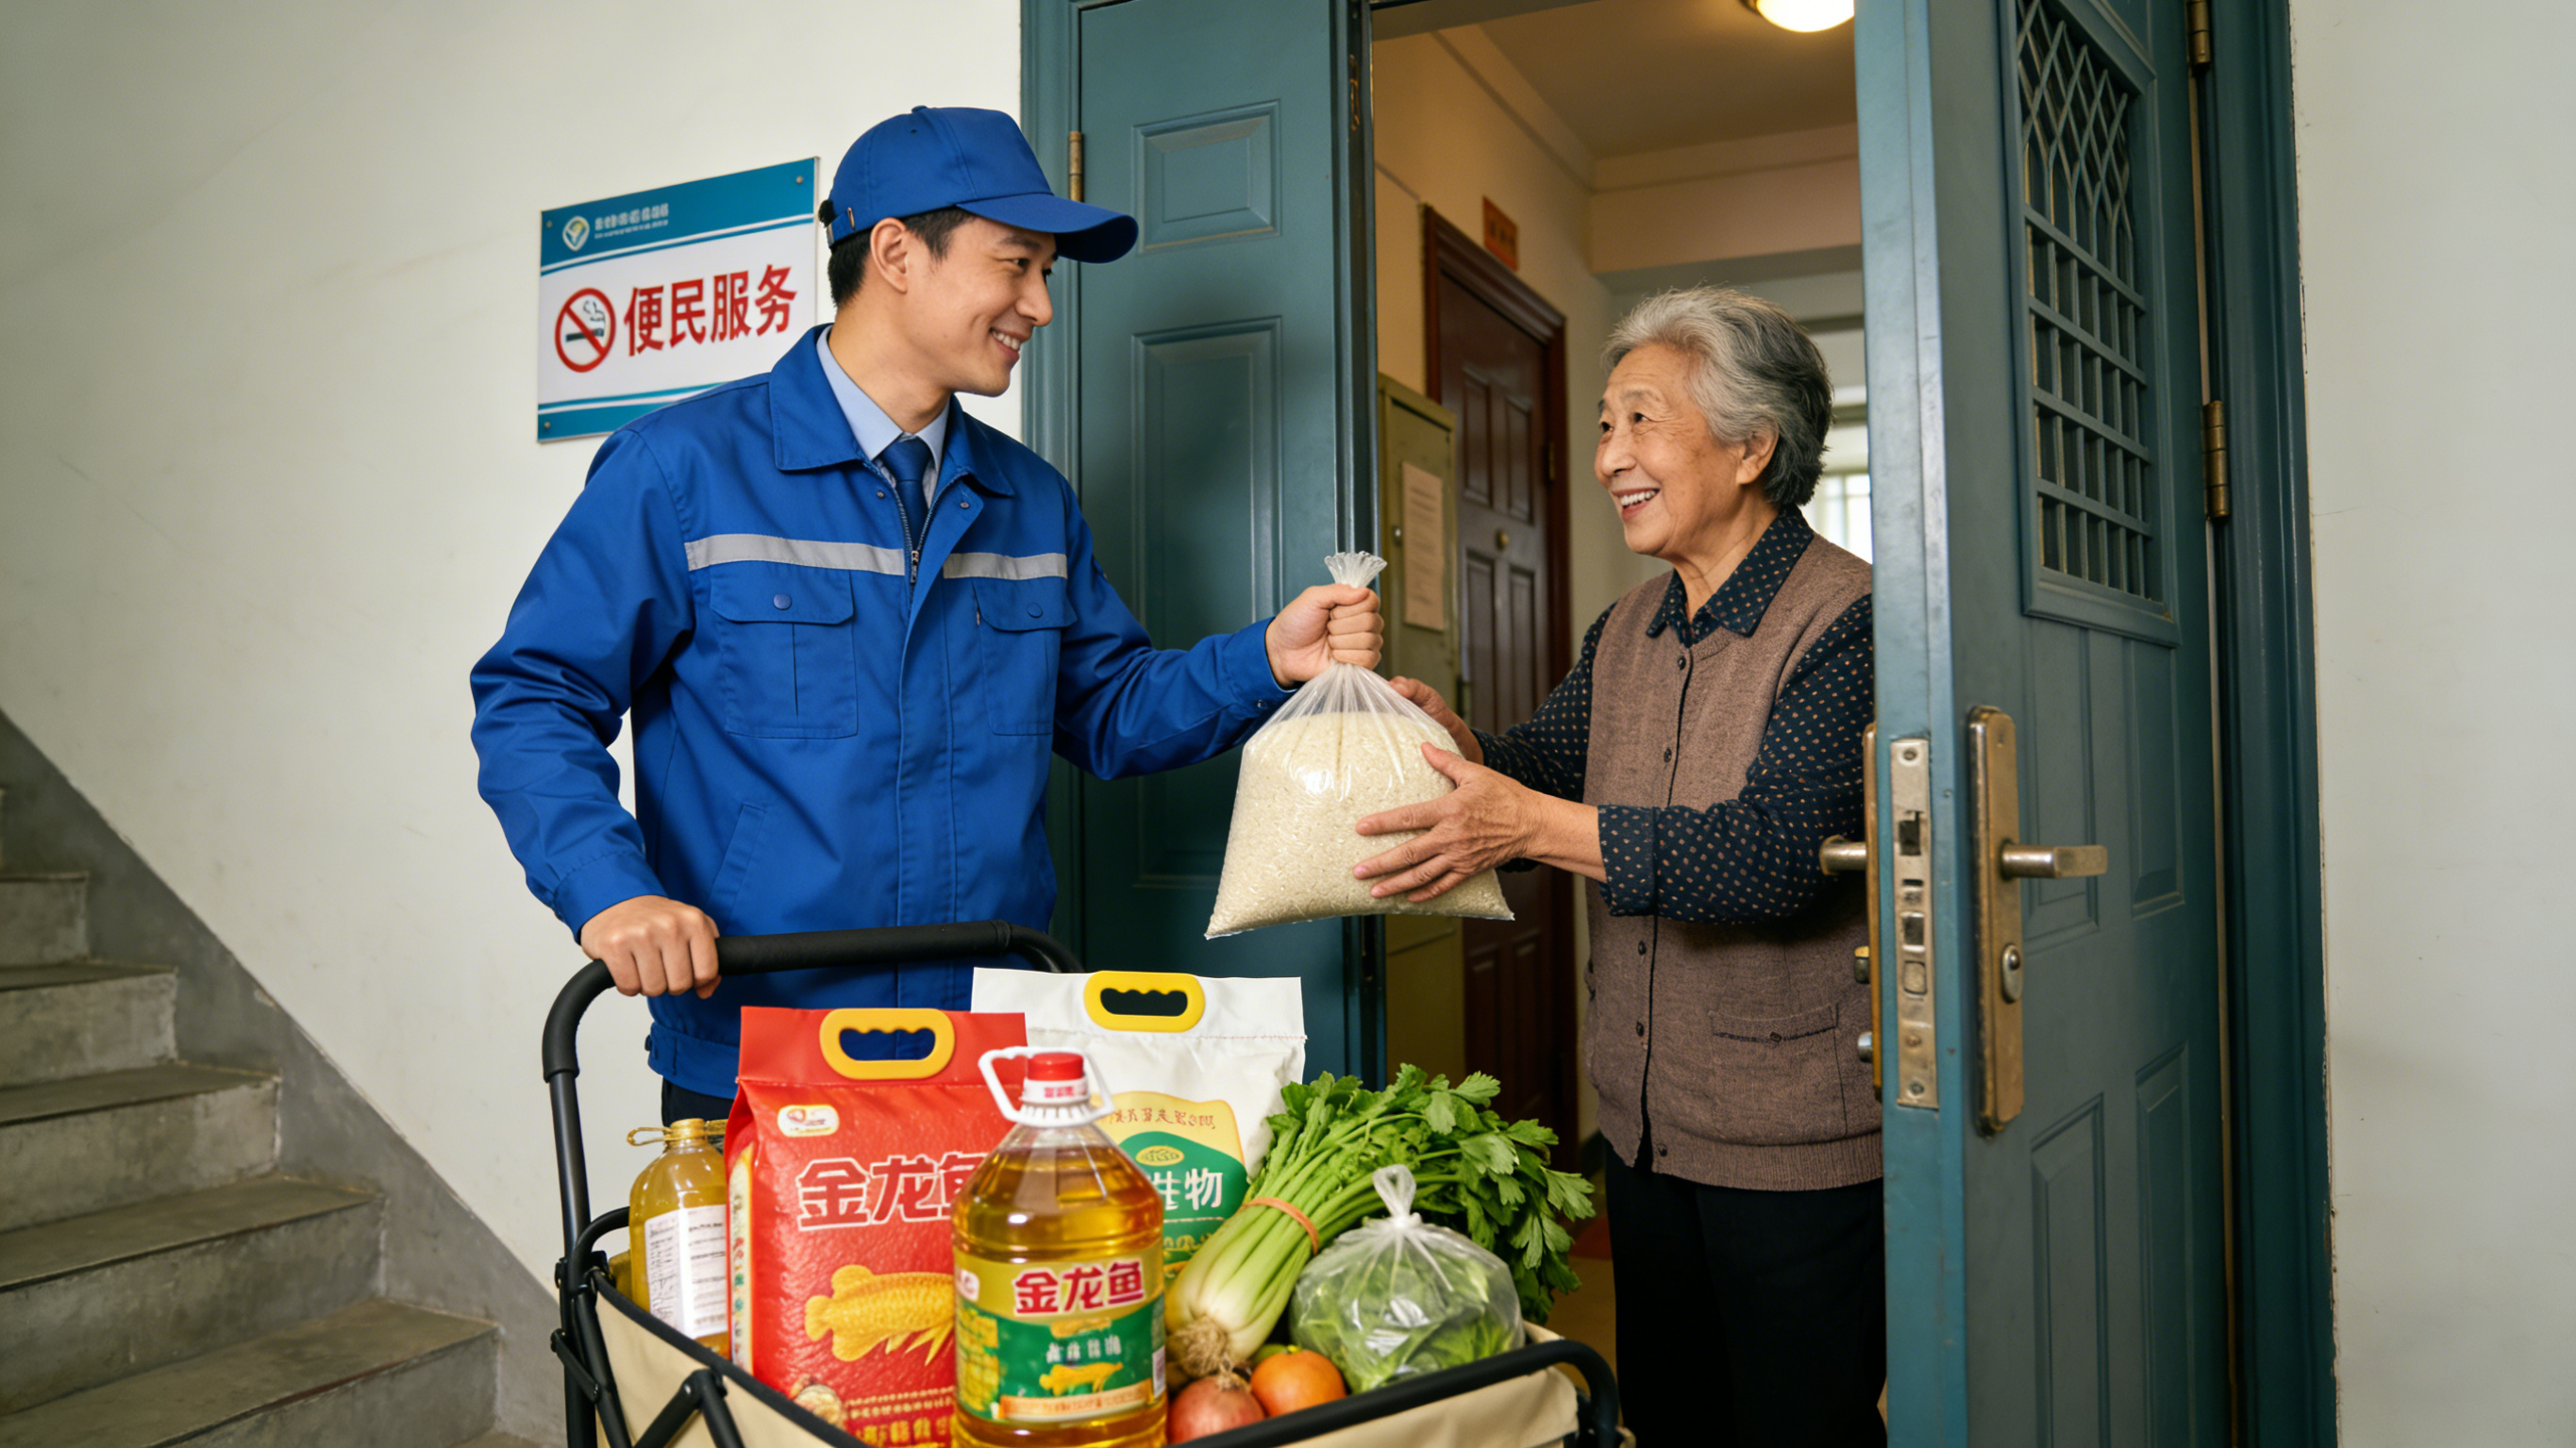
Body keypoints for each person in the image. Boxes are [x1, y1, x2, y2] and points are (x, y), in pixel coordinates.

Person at [471, 107, 1380, 1123]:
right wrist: (611, 890)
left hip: (989, 1039)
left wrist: (1266, 659)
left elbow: (1110, 711)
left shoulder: (1031, 499)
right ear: (897, 252)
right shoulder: (683, 469)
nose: (1040, 303)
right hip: (759, 1039)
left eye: (1046, 273)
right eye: (1015, 265)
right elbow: (534, 694)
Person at [1353, 288, 1880, 1445]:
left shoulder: (1848, 619)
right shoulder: (1630, 623)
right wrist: (1456, 743)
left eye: (1642, 421)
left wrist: (1525, 822)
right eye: (1602, 424)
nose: (1609, 457)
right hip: (1645, 1122)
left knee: (1802, 1429)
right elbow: (1547, 761)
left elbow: (1773, 854)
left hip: (1793, 1144)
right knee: (1677, 1419)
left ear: (1753, 447)